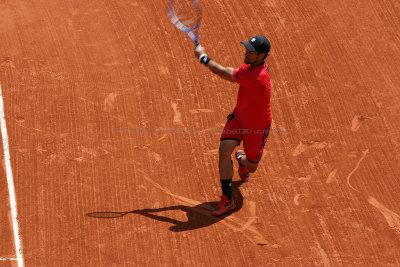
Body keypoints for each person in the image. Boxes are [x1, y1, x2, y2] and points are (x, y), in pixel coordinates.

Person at [194, 36, 272, 216]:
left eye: (251, 52)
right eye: (247, 49)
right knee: (223, 151)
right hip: (239, 118)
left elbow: (224, 73)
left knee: (252, 167)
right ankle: (227, 200)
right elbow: (233, 71)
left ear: (261, 56)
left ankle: (243, 160)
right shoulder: (251, 66)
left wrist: (203, 58)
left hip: (257, 128)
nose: (246, 53)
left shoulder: (257, 76)